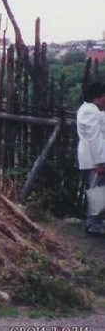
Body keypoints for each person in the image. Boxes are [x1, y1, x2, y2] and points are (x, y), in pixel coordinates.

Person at [76, 80, 105, 235]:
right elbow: (94, 138)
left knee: (99, 190)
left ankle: (97, 222)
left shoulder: (95, 110)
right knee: (96, 191)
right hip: (94, 158)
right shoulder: (89, 111)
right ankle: (94, 225)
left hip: (97, 156)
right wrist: (99, 162)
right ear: (98, 96)